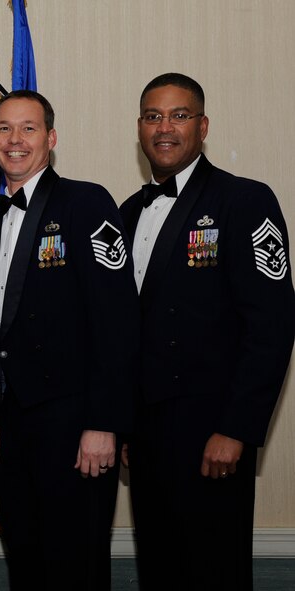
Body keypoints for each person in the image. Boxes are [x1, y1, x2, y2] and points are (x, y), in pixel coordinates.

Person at [119, 73, 295, 591]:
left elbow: (272, 323)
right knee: (160, 566)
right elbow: (125, 332)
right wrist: (125, 420)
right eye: (153, 116)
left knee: (215, 570)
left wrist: (238, 428)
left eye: (179, 115)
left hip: (213, 433)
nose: (165, 127)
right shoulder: (128, 214)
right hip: (147, 436)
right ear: (140, 129)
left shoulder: (246, 201)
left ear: (203, 126)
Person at [0, 90, 139, 590]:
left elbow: (116, 319)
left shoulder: (86, 202)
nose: (16, 140)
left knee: (76, 567)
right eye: (5, 128)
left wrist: (104, 423)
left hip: (76, 426)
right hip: (19, 427)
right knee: (26, 560)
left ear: (51, 138)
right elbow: (3, 340)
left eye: (28, 128)